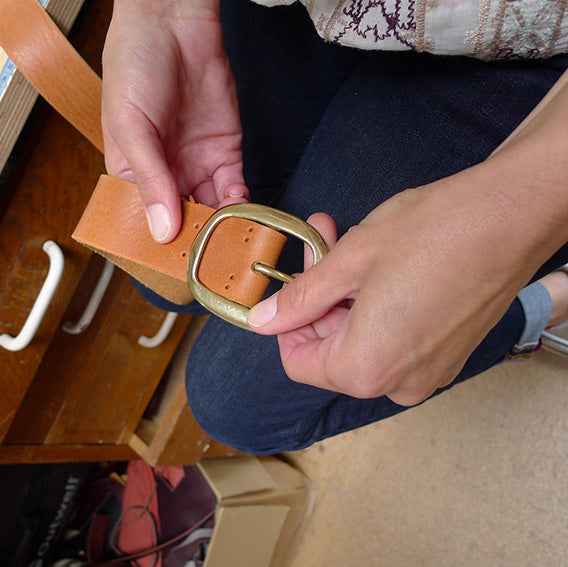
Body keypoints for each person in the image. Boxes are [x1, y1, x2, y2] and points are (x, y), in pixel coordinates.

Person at [101, 0, 568, 453]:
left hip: (534, 50)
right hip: (315, 11)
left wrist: (511, 219)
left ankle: (535, 305)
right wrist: (158, 11)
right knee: (163, 281)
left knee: (229, 401)